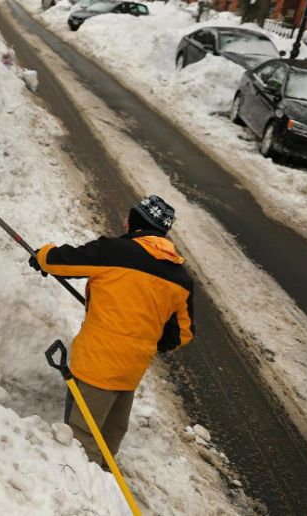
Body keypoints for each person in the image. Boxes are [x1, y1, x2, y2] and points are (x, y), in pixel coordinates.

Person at [29, 194, 194, 466]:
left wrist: (42, 256)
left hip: (97, 366)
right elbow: (182, 334)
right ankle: (103, 488)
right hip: (130, 373)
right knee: (108, 440)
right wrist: (146, 335)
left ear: (134, 223)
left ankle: (81, 496)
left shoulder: (117, 251)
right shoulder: (181, 278)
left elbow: (64, 262)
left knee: (81, 442)